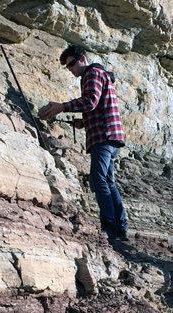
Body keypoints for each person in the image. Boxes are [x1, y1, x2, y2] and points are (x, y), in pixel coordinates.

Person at [42, 44, 128, 241]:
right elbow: (98, 106)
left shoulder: (91, 74)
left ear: (83, 59)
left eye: (72, 64)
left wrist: (62, 107)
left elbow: (90, 101)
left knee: (98, 181)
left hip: (104, 137)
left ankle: (110, 226)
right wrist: (83, 122)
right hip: (111, 135)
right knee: (107, 181)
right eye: (67, 66)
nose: (70, 69)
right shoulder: (101, 74)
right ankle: (121, 227)